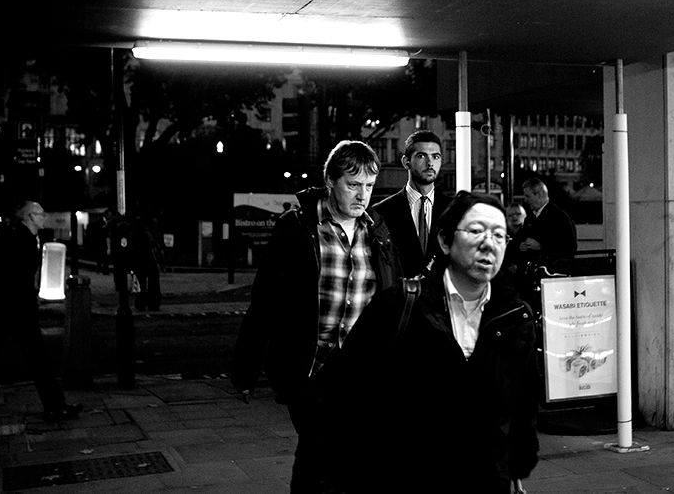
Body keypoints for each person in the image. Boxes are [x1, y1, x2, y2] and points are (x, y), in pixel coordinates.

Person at [333, 191, 540, 493]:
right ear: (445, 241)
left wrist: (514, 469)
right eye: (475, 231)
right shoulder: (399, 306)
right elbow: (343, 397)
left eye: (499, 235)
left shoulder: (515, 317)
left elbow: (523, 404)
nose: (488, 244)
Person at [231, 140, 402, 493]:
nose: (362, 195)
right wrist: (245, 369)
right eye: (353, 185)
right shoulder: (297, 229)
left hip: (365, 374)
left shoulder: (379, 233)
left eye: (369, 186)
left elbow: (393, 303)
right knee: (319, 455)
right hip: (312, 370)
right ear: (330, 182)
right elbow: (265, 302)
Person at [0, 201, 82, 438]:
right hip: (10, 311)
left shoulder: (20, 236)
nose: (44, 218)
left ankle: (55, 406)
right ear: (30, 216)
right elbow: (14, 277)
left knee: (35, 358)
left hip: (9, 309)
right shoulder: (19, 239)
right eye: (40, 214)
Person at [373, 130, 450, 278]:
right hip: (398, 297)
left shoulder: (454, 210)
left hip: (443, 298)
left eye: (436, 156)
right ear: (405, 162)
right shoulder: (383, 211)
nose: (430, 163)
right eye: (421, 156)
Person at [518, 176, 578, 264]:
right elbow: (521, 237)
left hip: (552, 270)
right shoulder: (530, 217)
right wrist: (521, 245)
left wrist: (541, 247)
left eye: (528, 196)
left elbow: (569, 247)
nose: (525, 200)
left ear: (539, 195)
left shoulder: (559, 217)